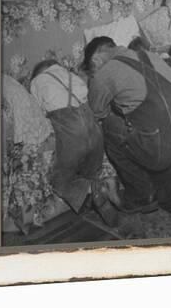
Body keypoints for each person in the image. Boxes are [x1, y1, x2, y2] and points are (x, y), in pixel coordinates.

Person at [84, 36, 171, 233]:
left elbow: (96, 112)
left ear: (96, 61)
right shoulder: (152, 57)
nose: (94, 76)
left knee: (109, 126)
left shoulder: (106, 71)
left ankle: (139, 194)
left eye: (91, 72)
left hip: (158, 147)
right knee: (164, 194)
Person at [30, 59, 120, 225]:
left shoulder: (37, 83)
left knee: (59, 180)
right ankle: (102, 185)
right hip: (95, 132)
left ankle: (92, 189)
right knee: (90, 171)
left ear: (39, 73)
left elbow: (37, 115)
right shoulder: (72, 76)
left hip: (72, 136)